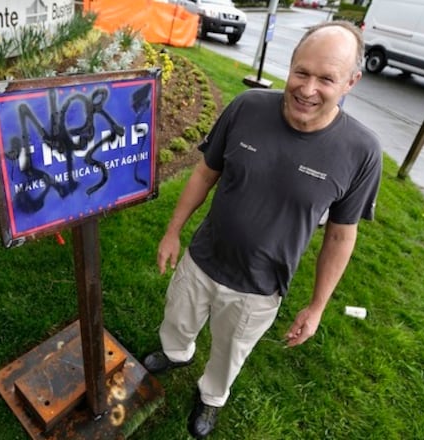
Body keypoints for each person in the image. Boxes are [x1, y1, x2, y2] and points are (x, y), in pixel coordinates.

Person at [143, 21, 382, 439]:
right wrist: (173, 231)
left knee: (230, 351)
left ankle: (211, 397)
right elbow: (204, 172)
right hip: (203, 258)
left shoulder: (361, 151)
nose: (308, 89)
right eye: (302, 72)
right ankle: (176, 353)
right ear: (289, 66)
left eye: (326, 79)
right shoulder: (247, 106)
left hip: (261, 285)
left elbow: (342, 235)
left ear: (351, 82)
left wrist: (317, 306)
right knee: (178, 319)